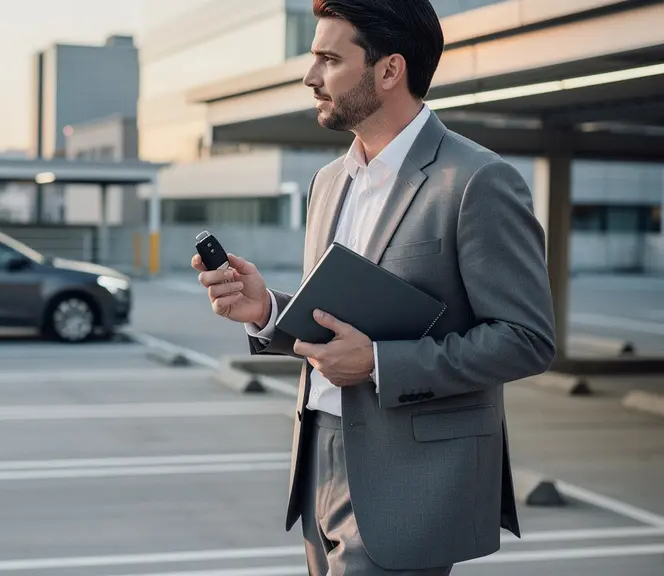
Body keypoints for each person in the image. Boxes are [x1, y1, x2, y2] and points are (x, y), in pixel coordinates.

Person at [192, 0, 557, 574]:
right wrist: (267, 310)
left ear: (389, 70)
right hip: (317, 462)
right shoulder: (329, 182)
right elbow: (338, 322)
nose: (311, 78)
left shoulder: (478, 181)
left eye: (329, 59)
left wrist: (380, 364)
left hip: (408, 481)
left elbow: (527, 339)